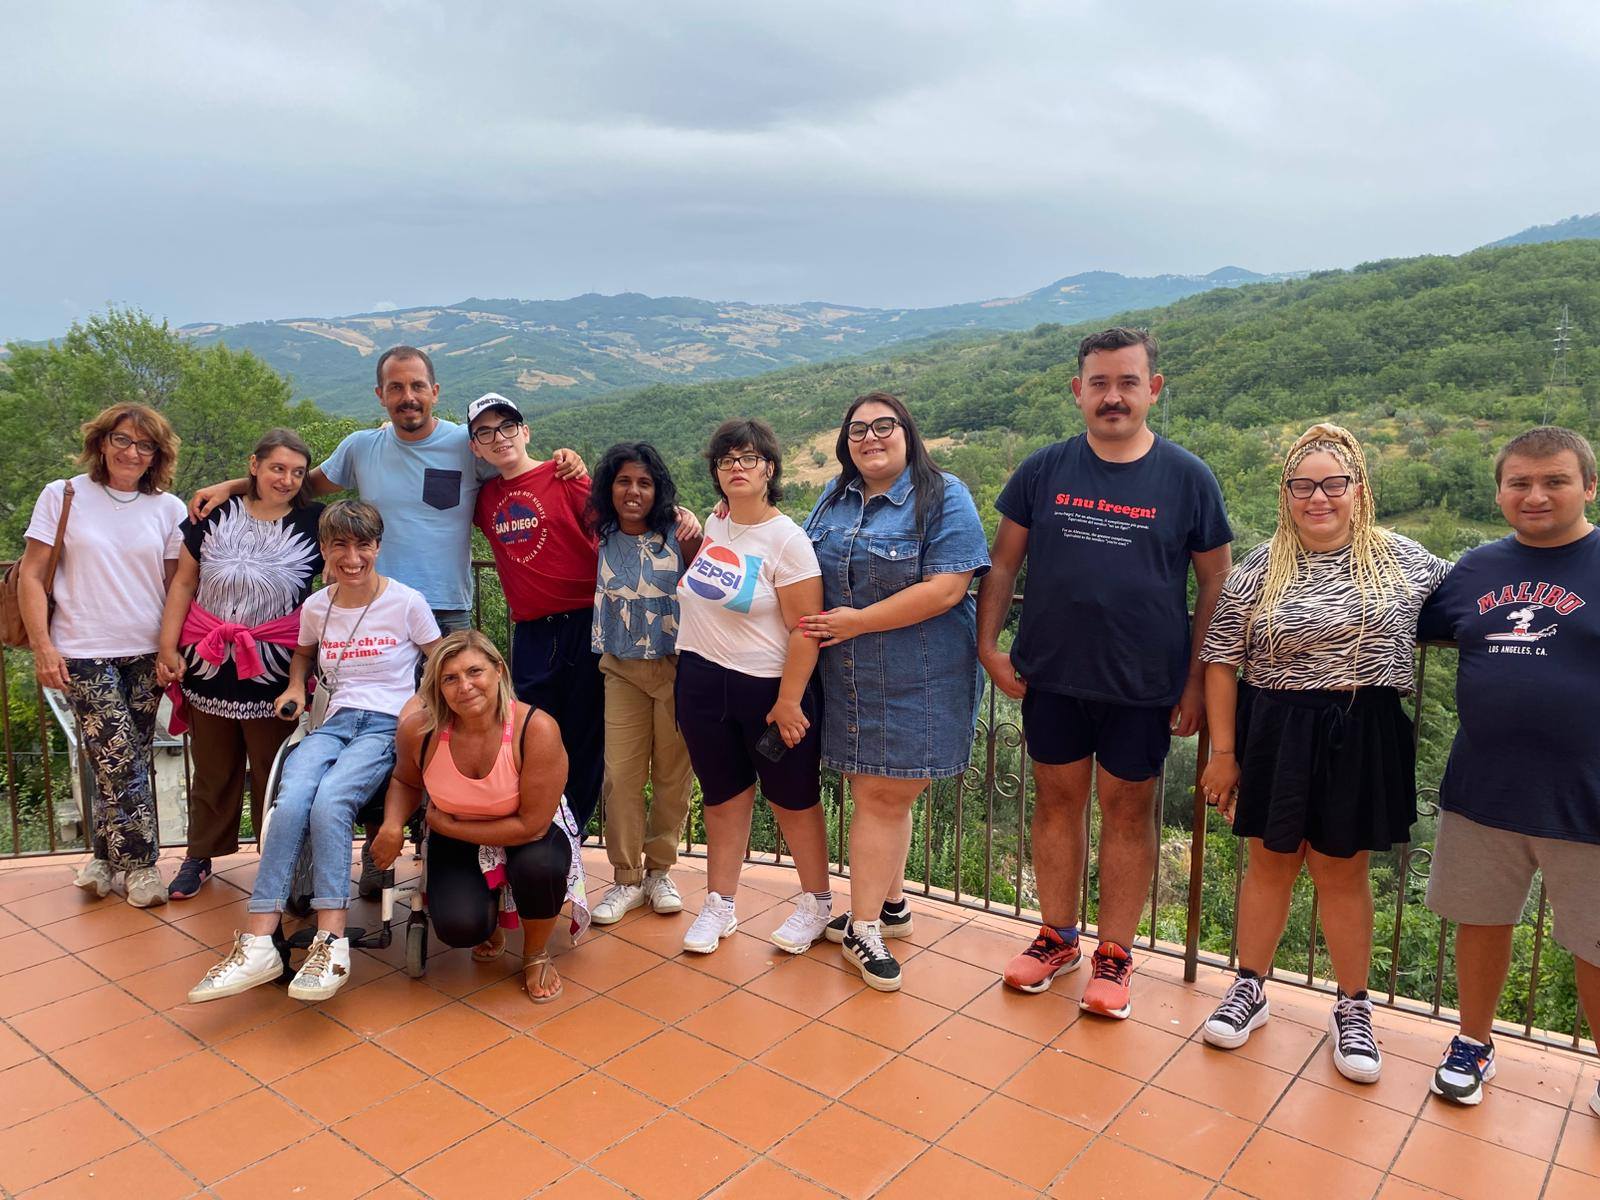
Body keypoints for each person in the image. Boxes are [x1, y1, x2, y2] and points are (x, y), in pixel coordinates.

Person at [977, 327, 1233, 1017]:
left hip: (1143, 684)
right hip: (1052, 676)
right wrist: (989, 648)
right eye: (1099, 383)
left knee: (1128, 813)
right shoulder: (1043, 469)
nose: (1113, 396)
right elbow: (1002, 564)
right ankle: (1056, 938)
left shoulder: (1188, 478)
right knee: (1056, 803)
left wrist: (1196, 681)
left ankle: (1115, 956)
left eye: (1127, 382)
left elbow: (1215, 585)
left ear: (1153, 388)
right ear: (1078, 392)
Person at [1196, 423, 1449, 1083]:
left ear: (1358, 488)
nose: (1319, 497)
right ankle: (1249, 986)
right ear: (1287, 492)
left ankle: (1354, 1008)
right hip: (1276, 728)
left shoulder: (1404, 559)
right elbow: (1221, 660)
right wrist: (1223, 753)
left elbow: (1476, 606)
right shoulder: (1260, 565)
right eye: (1303, 485)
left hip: (1364, 729)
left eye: (1333, 483)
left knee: (1342, 872)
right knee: (1269, 864)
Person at [186, 501, 441, 1004]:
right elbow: (303, 653)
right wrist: (296, 688)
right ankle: (259, 939)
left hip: (386, 726)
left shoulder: (407, 602)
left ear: (377, 547)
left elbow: (440, 661)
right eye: (340, 545)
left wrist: (423, 712)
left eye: (363, 544)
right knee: (291, 797)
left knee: (331, 802)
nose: (352, 557)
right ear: (324, 550)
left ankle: (332, 938)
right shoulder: (317, 606)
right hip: (334, 723)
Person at [1415, 426, 1600, 1115]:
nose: (1535, 494)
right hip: (1484, 790)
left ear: (1588, 485)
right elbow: (1417, 619)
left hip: (1589, 797)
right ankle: (1472, 1043)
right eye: (1519, 482)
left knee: (1596, 945)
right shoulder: (1475, 569)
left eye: (1554, 480)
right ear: (1499, 491)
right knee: (1480, 923)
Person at [188, 346, 584, 636]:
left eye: (417, 386)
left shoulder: (468, 444)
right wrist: (235, 486)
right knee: (383, 724)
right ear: (380, 395)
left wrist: (564, 463)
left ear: (435, 391)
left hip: (448, 610)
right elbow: (299, 487)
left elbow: (517, 468)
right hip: (375, 605)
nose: (407, 397)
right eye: (395, 388)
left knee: (452, 727)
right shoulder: (360, 447)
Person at [800, 393, 990, 990]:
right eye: (858, 429)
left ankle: (861, 927)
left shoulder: (944, 495)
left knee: (886, 795)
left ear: (908, 433)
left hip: (922, 673)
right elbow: (798, 567)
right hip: (852, 675)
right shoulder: (834, 497)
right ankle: (890, 903)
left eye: (884, 426)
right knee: (882, 792)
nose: (871, 437)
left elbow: (946, 590)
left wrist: (855, 620)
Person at [675, 418, 833, 955]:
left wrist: (790, 700)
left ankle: (816, 903)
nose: (737, 468)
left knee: (793, 800)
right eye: (726, 461)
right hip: (700, 680)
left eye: (748, 459)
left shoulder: (788, 541)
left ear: (770, 469)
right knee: (722, 799)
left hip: (768, 690)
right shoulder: (718, 525)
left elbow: (807, 629)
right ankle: (720, 904)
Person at [19, 403, 186, 908]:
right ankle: (139, 867)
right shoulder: (64, 495)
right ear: (101, 441)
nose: (132, 452)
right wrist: (43, 648)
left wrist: (169, 647)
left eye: (145, 445)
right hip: (83, 651)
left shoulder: (168, 509)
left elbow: (176, 583)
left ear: (157, 454)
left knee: (122, 759)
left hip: (145, 652)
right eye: (122, 440)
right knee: (119, 756)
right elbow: (30, 574)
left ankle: (102, 855)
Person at [370, 630, 587, 1003]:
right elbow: (404, 780)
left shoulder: (535, 729)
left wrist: (450, 826)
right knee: (459, 928)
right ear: (437, 687)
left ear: (498, 671)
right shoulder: (419, 731)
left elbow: (531, 826)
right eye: (450, 678)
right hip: (454, 832)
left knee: (540, 868)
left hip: (525, 833)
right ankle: (489, 923)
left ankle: (535, 952)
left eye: (474, 672)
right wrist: (391, 826)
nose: (464, 686)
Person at [155, 429, 324, 900]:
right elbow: (185, 583)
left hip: (277, 669)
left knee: (277, 772)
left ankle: (283, 862)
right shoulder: (214, 514)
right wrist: (168, 648)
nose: (286, 479)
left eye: (295, 471)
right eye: (276, 468)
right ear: (254, 465)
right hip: (208, 662)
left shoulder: (315, 521)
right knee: (212, 767)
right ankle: (199, 856)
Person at [467, 392, 607, 835]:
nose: (499, 438)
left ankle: (573, 835)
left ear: (525, 432)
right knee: (528, 735)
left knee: (586, 738)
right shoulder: (485, 498)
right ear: (476, 447)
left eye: (507, 426)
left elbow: (623, 518)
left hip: (587, 624)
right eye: (485, 432)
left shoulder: (567, 478)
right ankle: (538, 827)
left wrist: (683, 519)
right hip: (531, 634)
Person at [585, 443, 701, 925]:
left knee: (674, 778)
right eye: (624, 481)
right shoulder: (599, 532)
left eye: (645, 483)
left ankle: (660, 871)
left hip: (676, 669)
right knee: (621, 778)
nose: (633, 491)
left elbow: (720, 564)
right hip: (621, 669)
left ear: (659, 490)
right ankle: (626, 876)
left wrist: (703, 514)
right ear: (610, 487)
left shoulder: (681, 533)